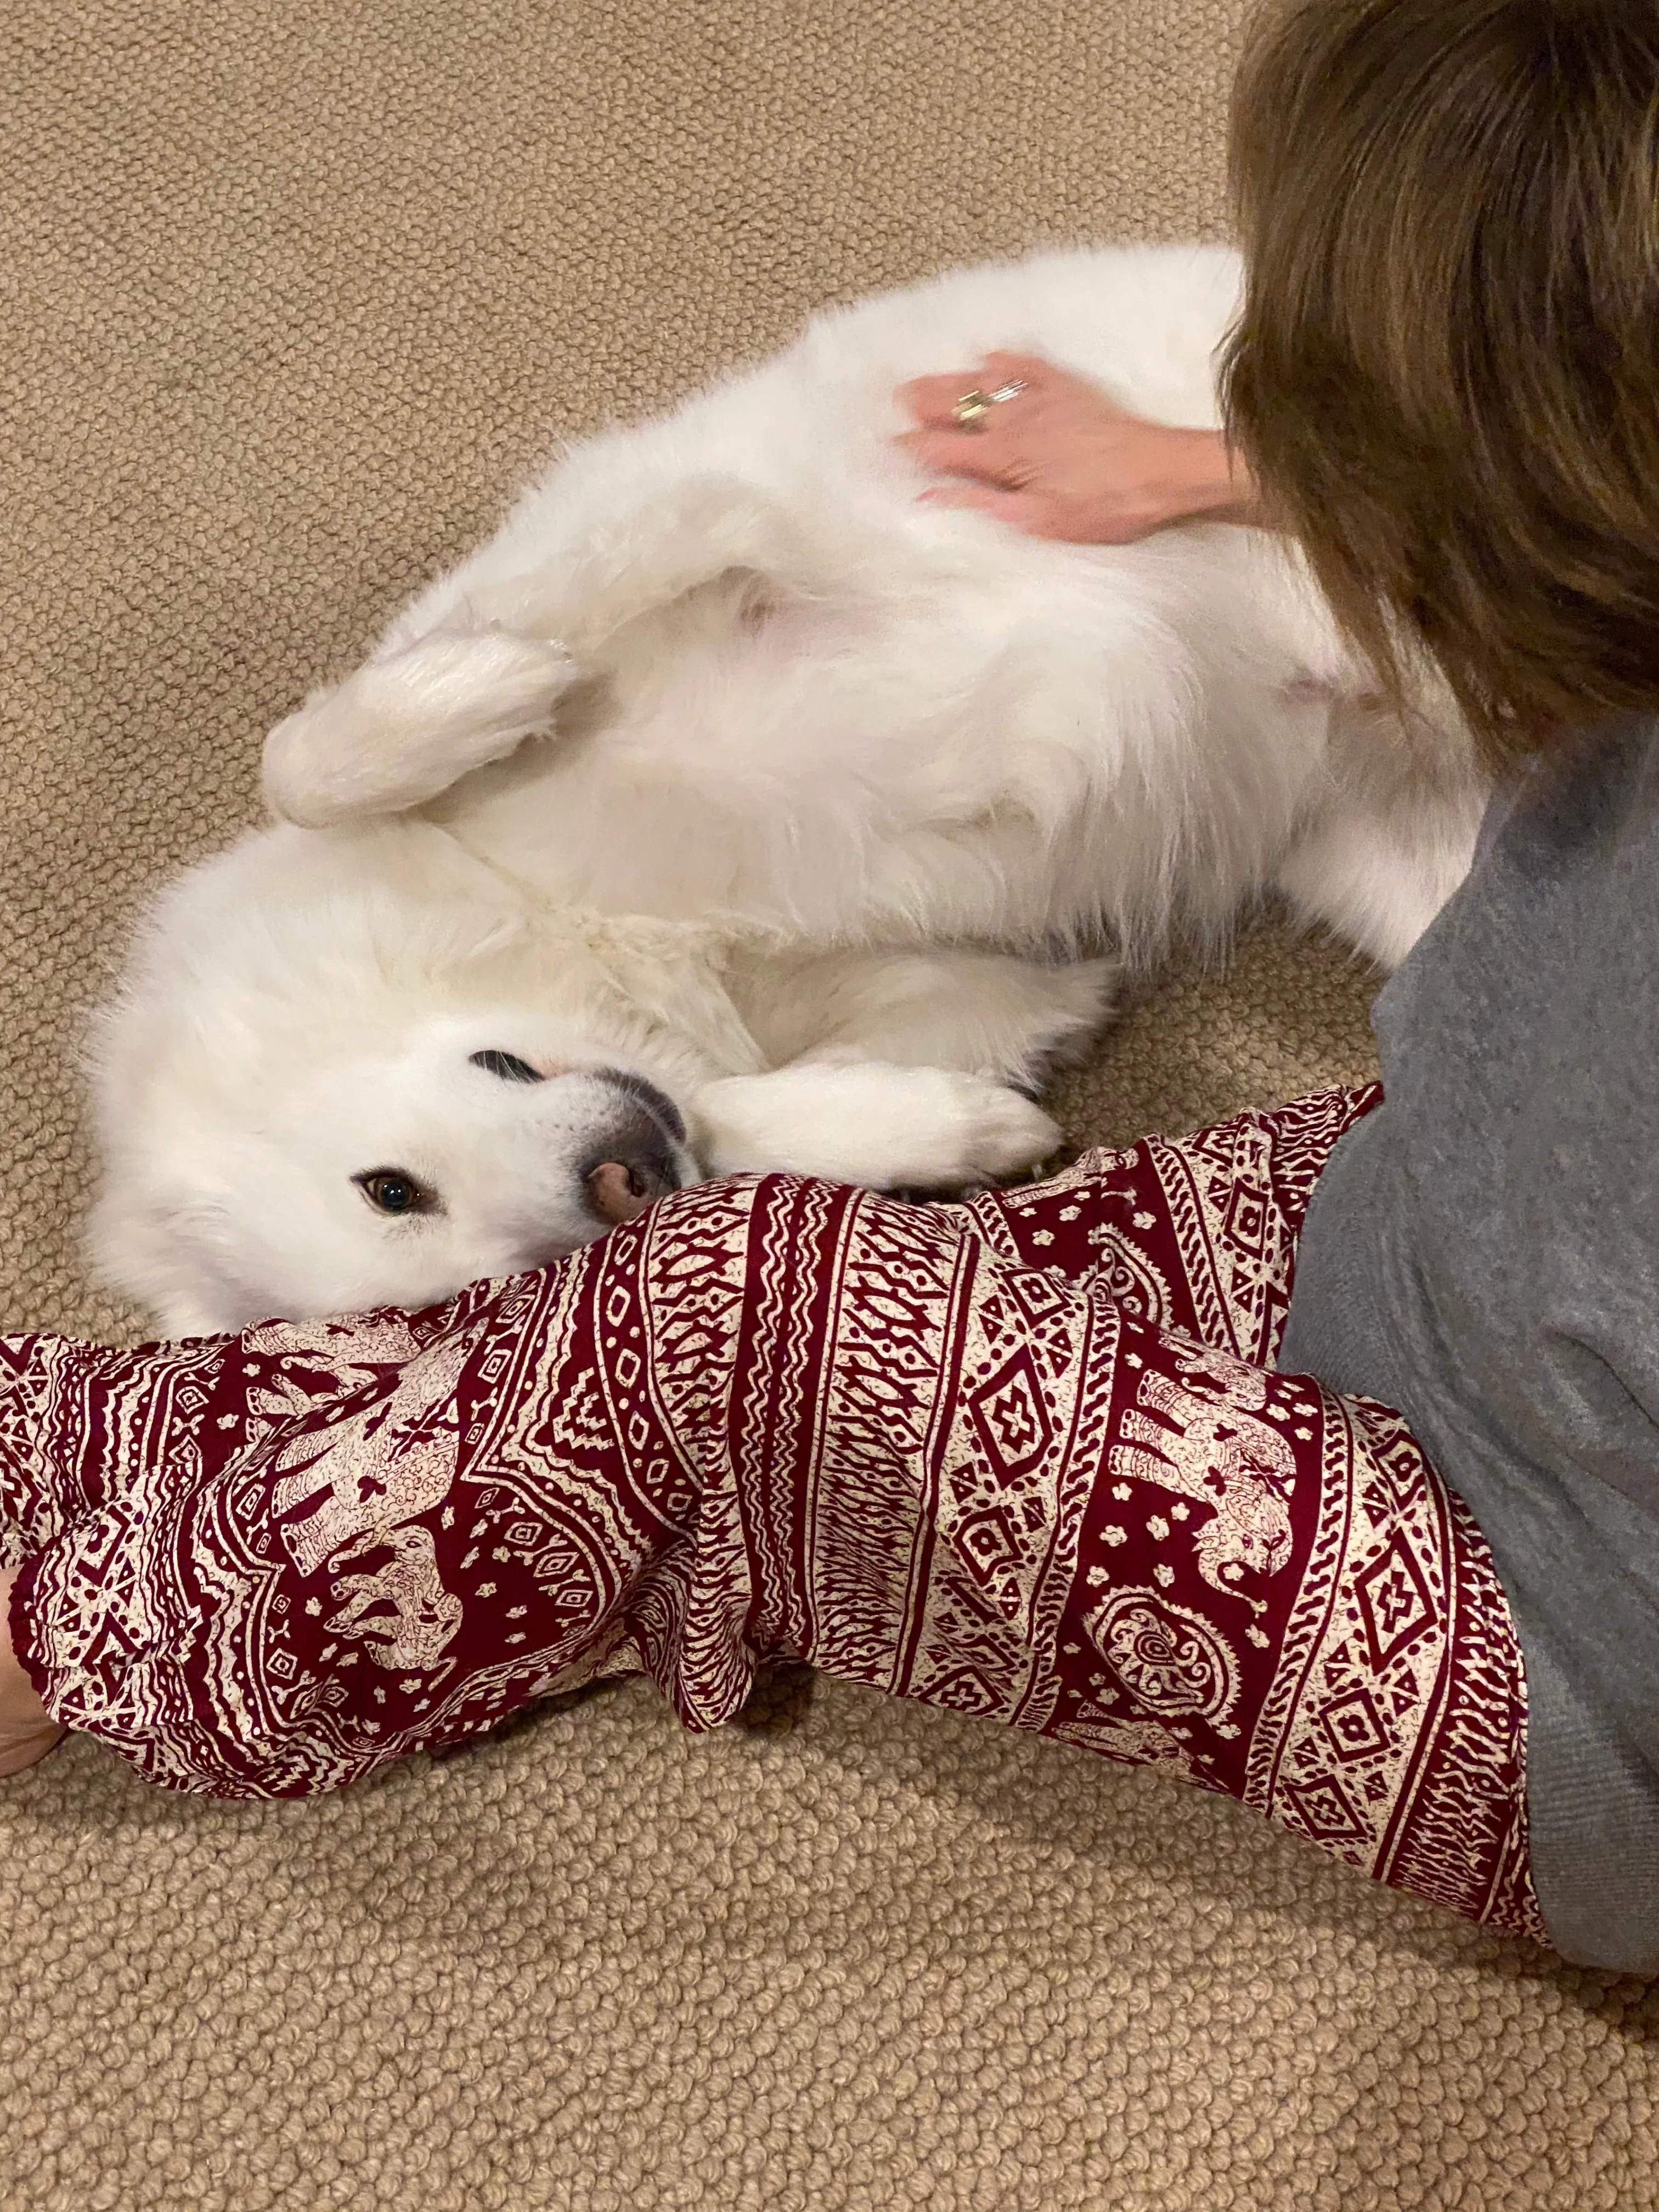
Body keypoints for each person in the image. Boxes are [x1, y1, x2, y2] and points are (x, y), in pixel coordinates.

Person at [5, 0, 1658, 1970]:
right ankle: (138, 1439)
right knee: (875, 1319)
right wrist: (1216, 470)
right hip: (1445, 1215)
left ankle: (48, 1658)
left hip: (1568, 1654)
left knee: (731, 1319)